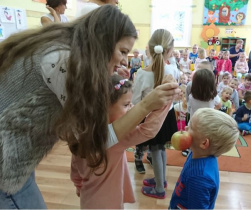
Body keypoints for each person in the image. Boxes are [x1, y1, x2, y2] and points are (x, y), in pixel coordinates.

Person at [0, 6, 180, 209]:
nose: (123, 60)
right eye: (122, 51)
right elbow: (96, 142)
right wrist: (148, 104)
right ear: (103, 42)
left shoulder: (64, 49)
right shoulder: (64, 61)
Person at [70, 75, 173, 209]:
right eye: (126, 105)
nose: (131, 108)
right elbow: (149, 130)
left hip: (88, 199)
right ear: (104, 108)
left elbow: (76, 172)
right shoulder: (117, 137)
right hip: (110, 203)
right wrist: (166, 101)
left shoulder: (81, 134)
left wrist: (79, 188)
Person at [132, 29, 178, 198]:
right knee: (161, 150)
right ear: (170, 50)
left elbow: (136, 101)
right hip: (168, 116)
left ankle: (159, 188)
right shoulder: (172, 70)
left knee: (155, 150)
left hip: (152, 118)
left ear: (149, 49)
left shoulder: (142, 74)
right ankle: (162, 179)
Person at [169, 108, 239, 209]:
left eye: (191, 127)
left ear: (204, 143)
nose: (186, 127)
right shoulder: (197, 153)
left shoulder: (199, 177)